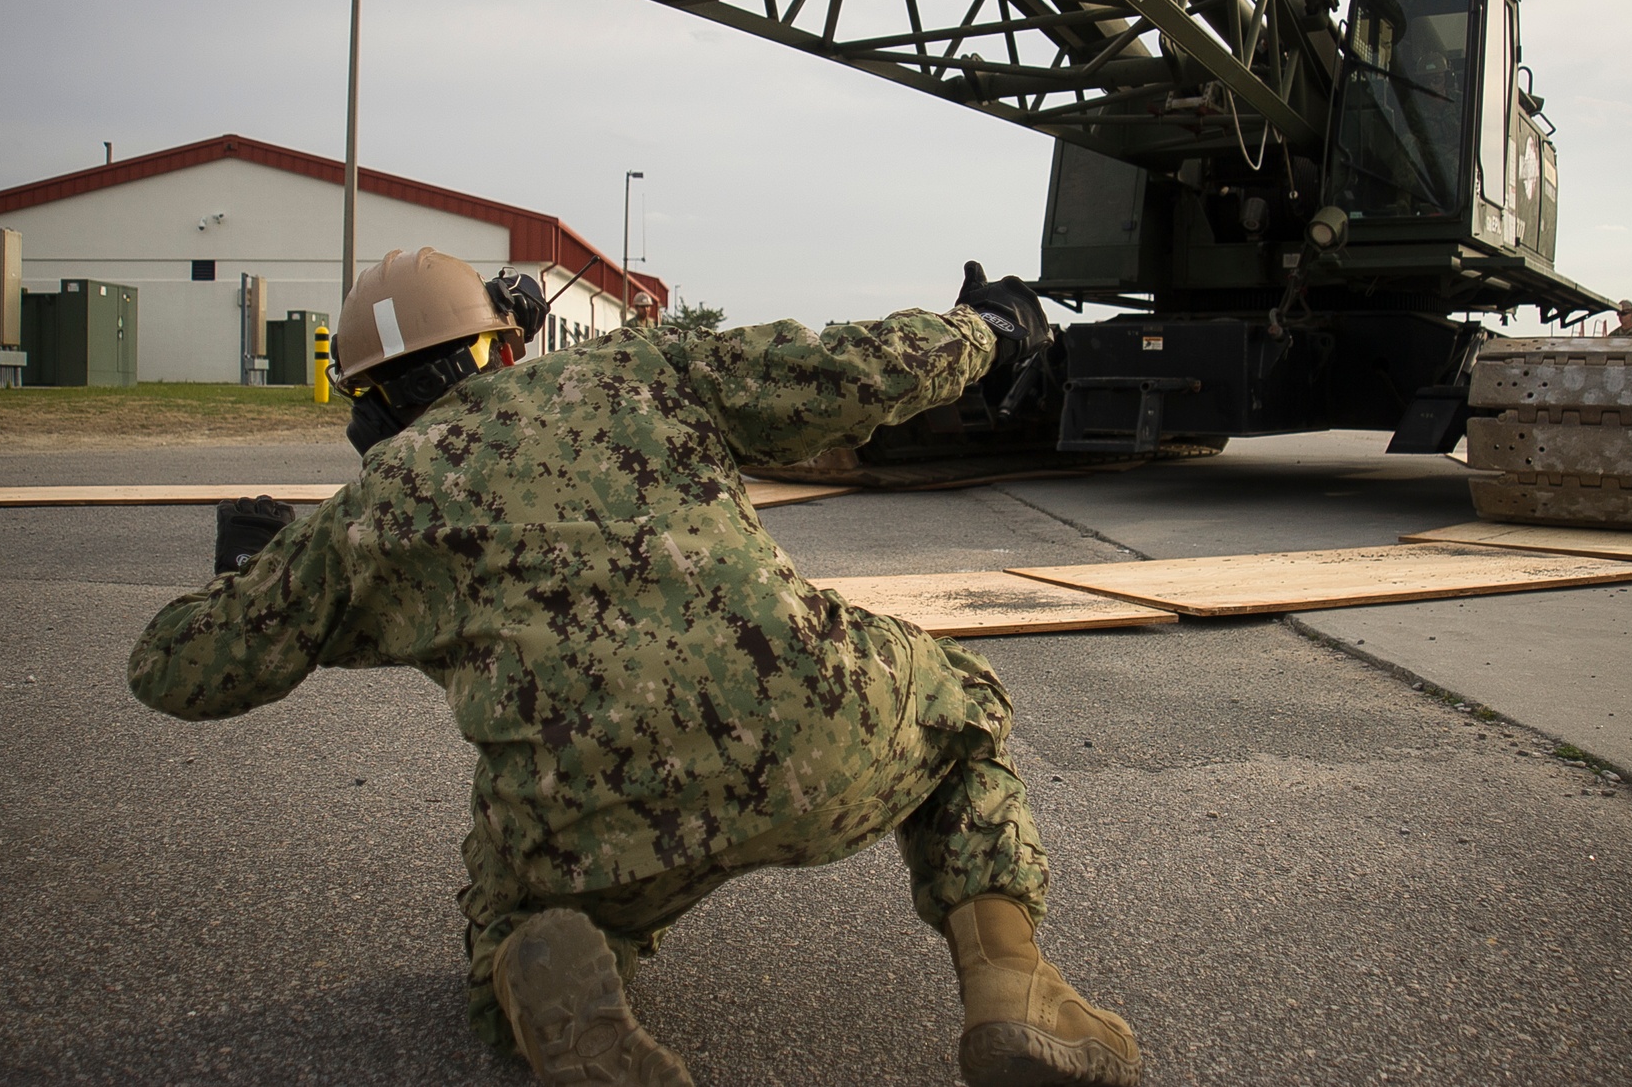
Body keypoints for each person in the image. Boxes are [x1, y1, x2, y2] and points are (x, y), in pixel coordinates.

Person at [128, 247, 1140, 1087]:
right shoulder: (643, 367)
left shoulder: (378, 512)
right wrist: (990, 332)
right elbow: (856, 365)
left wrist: (267, 573)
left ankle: (553, 958)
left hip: (600, 819)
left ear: (371, 406)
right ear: (497, 338)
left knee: (513, 896)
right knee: (960, 713)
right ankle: (1009, 984)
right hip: (814, 727)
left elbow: (176, 671)